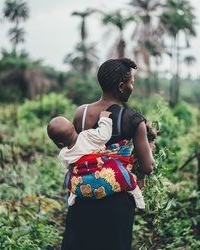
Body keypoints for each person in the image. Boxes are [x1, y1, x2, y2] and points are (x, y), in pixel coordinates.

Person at [61, 57, 155, 250]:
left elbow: (75, 149)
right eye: (131, 83)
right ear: (121, 86)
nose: (132, 87)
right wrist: (150, 152)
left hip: (83, 199)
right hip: (116, 205)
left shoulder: (82, 113)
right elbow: (147, 167)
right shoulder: (133, 119)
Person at [47, 111, 145, 209]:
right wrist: (104, 118)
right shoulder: (86, 135)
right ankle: (137, 195)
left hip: (83, 179)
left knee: (69, 177)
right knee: (120, 171)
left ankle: (73, 194)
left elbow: (69, 167)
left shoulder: (64, 154)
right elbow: (104, 135)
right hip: (101, 169)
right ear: (73, 127)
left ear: (59, 145)